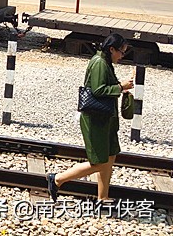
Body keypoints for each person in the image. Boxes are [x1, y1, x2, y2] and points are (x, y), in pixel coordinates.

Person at [47, 33, 134, 202]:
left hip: (105, 118)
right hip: (96, 120)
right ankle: (57, 179)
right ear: (111, 49)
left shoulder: (105, 62)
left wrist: (121, 86)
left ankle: (103, 197)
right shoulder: (99, 63)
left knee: (110, 156)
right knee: (99, 162)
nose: (122, 56)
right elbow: (98, 90)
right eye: (121, 52)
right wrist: (120, 86)